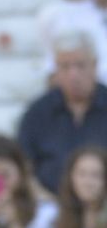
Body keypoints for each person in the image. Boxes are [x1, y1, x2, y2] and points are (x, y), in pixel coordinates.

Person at [18, 32, 107, 199]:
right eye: (65, 66)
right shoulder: (37, 114)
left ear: (94, 66)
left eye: (80, 65)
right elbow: (23, 168)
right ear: (56, 70)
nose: (73, 75)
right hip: (49, 207)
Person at [53, 146, 107, 228]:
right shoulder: (62, 215)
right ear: (71, 177)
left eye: (96, 175)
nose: (88, 182)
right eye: (81, 174)